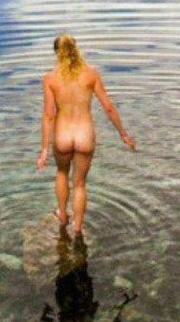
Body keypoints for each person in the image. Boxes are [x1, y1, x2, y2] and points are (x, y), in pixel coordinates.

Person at [37, 34, 136, 234]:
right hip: (84, 135)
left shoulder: (50, 78)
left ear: (56, 53)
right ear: (76, 49)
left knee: (62, 173)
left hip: (62, 136)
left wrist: (44, 150)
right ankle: (78, 229)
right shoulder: (91, 74)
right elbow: (108, 107)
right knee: (80, 184)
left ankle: (63, 215)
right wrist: (123, 134)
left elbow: (48, 115)